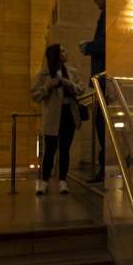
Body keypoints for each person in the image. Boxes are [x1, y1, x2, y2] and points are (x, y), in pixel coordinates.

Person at [31, 43, 85, 195]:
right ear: (55, 55)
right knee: (49, 150)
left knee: (65, 149)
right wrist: (48, 86)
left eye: (64, 49)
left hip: (69, 113)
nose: (64, 53)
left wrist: (68, 84)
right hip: (53, 116)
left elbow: (81, 89)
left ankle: (63, 181)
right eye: (61, 51)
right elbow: (35, 95)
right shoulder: (44, 74)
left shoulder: (72, 72)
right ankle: (44, 181)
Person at [80, 0, 106, 184]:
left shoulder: (107, 17)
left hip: (103, 80)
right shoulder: (103, 16)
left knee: (101, 125)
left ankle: (104, 167)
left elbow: (106, 45)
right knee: (100, 124)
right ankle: (103, 166)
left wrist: (88, 46)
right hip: (100, 81)